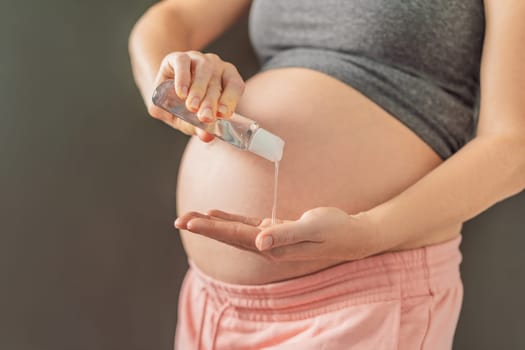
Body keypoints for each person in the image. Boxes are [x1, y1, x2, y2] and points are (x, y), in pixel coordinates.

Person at [129, 1, 525, 349]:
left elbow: (513, 146)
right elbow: (171, 16)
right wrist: (173, 82)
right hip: (214, 305)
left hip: (361, 293)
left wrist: (370, 232)